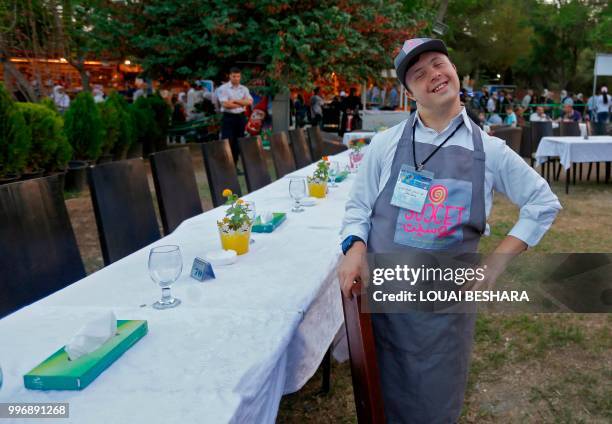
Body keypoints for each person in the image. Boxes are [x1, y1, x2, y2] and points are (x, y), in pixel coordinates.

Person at [337, 37, 561, 423]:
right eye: (419, 74)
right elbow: (358, 206)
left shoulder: (490, 151)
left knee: (434, 401)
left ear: (454, 70)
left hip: (445, 312)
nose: (434, 76)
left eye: (439, 64)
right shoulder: (385, 144)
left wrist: (494, 265)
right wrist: (355, 247)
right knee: (381, 397)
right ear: (409, 92)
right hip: (386, 301)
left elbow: (542, 204)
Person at [217, 67, 253, 166]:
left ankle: (235, 165)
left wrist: (235, 101)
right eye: (234, 76)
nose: (236, 78)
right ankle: (226, 165)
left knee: (239, 142)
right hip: (228, 118)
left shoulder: (244, 89)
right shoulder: (223, 88)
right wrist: (242, 103)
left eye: (238, 76)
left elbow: (250, 101)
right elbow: (225, 105)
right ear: (230, 76)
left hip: (241, 118)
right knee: (228, 142)